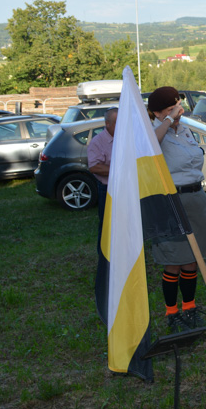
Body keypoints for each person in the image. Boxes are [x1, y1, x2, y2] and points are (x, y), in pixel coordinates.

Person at [147, 87, 206, 332]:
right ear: (156, 113)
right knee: (174, 260)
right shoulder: (153, 131)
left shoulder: (185, 129)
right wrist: (168, 121)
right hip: (170, 200)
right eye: (169, 110)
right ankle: (172, 313)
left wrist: (175, 121)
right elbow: (150, 145)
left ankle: (189, 307)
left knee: (192, 259)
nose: (177, 112)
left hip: (195, 197)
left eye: (177, 106)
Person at [87, 107, 117, 325]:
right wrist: (118, 167)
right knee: (106, 226)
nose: (120, 126)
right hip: (107, 191)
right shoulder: (98, 141)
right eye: (116, 123)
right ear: (107, 124)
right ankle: (105, 259)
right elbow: (94, 166)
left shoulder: (125, 138)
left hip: (126, 188)